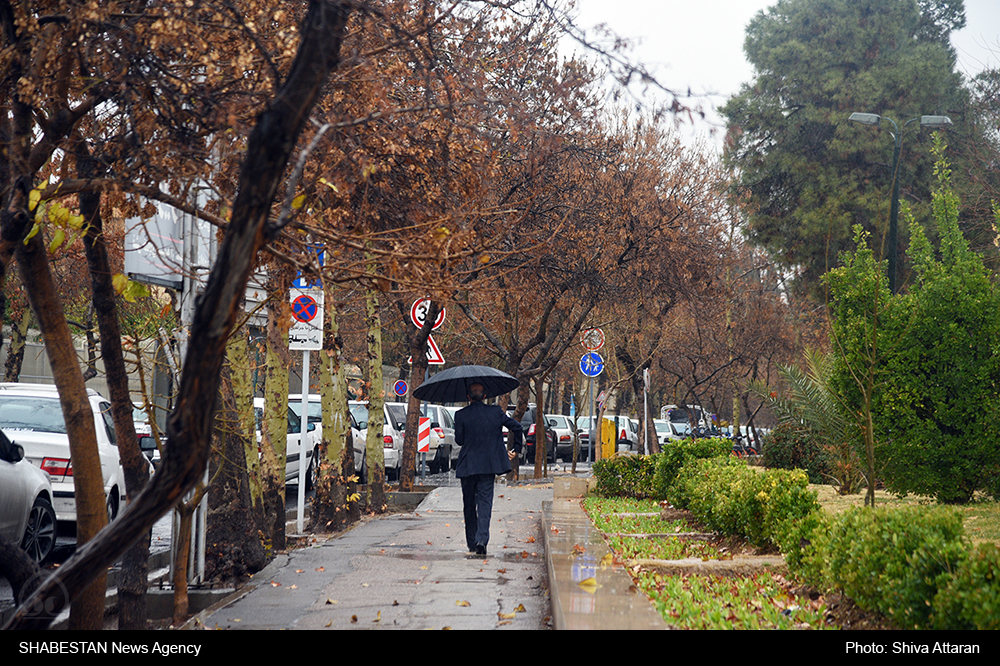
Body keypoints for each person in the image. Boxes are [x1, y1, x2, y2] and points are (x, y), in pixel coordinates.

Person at [454, 383, 522, 556]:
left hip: (468, 466)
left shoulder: (460, 415)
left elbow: (459, 441)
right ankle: (481, 540)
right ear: (484, 397)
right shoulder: (495, 412)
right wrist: (515, 449)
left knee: (469, 505)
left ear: (468, 397)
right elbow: (517, 426)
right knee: (485, 503)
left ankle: (471, 542)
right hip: (488, 466)